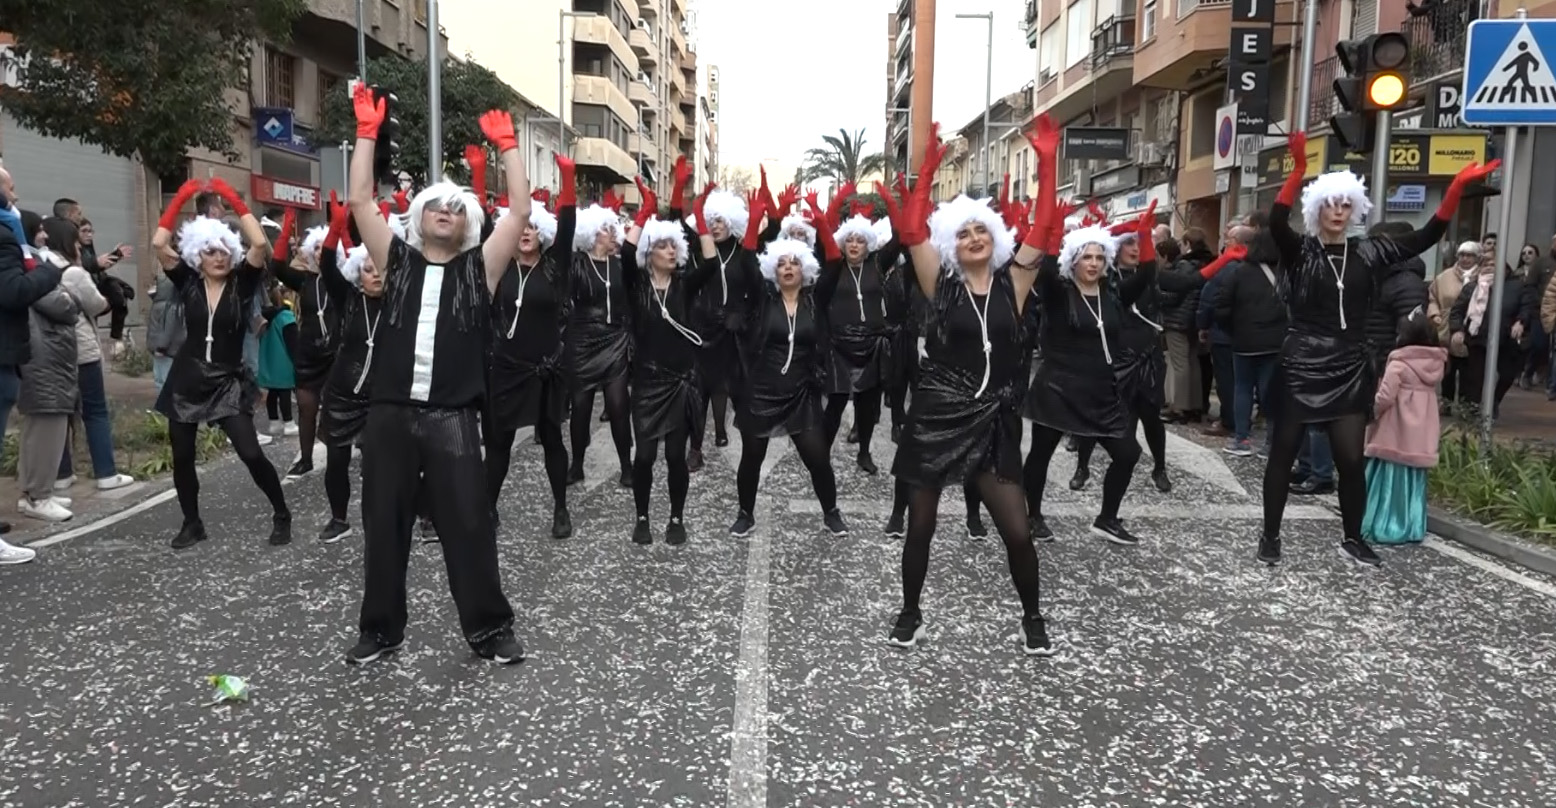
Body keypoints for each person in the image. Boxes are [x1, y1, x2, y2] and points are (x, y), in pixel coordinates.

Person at [346, 83, 527, 665]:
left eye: (455, 207)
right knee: (384, 525)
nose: (445, 212)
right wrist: (367, 134)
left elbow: (520, 213)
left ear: (467, 222)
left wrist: (508, 150)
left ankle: (490, 629)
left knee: (470, 523)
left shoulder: (480, 270)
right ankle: (380, 629)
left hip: (452, 417)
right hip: (390, 416)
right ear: (418, 219)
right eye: (434, 206)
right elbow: (359, 201)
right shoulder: (395, 262)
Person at [1258, 130, 1495, 567]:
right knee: (1283, 452)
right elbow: (1276, 222)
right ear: (1317, 209)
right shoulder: (1299, 251)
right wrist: (1298, 171)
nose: (1338, 211)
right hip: (1301, 362)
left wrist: (1456, 190)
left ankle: (1353, 537)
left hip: (1348, 363)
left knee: (1351, 458)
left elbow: (1427, 235)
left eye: (1345, 204)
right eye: (1330, 204)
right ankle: (1270, 535)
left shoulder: (1369, 251)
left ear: (1354, 210)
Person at [885, 117, 1058, 656]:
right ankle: (911, 613)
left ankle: (1032, 618)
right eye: (963, 233)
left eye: (981, 230)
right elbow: (913, 232)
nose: (974, 238)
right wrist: (926, 173)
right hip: (936, 417)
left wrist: (1048, 164)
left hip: (992, 422)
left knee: (1017, 530)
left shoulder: (1015, 283)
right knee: (921, 525)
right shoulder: (939, 285)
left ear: (996, 238)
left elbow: (1044, 227)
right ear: (951, 245)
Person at [150, 178, 291, 549]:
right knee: (183, 456)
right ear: (198, 255)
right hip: (187, 378)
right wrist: (183, 196)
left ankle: (281, 513)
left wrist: (232, 200)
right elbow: (159, 244)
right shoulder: (187, 282)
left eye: (224, 251)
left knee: (250, 452)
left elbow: (258, 244)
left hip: (227, 380)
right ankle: (192, 523)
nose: (218, 257)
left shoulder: (243, 284)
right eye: (210, 251)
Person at [727, 221, 847, 539]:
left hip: (801, 393)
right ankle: (745, 513)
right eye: (782, 263)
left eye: (794, 262)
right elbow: (746, 262)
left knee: (818, 458)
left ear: (804, 269)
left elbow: (835, 262)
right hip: (762, 391)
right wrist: (755, 222)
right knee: (752, 458)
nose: (788, 268)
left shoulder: (815, 300)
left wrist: (823, 224)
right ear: (774, 271)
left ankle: (831, 512)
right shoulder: (763, 299)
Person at [620, 190, 722, 545]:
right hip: (648, 384)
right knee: (645, 456)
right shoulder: (636, 285)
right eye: (662, 246)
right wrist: (644, 213)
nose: (670, 251)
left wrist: (700, 218)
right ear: (650, 253)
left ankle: (676, 518)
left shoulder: (684, 285)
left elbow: (710, 265)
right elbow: (626, 254)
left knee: (676, 456)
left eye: (673, 246)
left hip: (680, 382)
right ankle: (642, 517)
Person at [485, 156, 576, 538]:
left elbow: (568, 229)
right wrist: (480, 177)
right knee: (499, 443)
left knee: (552, 439)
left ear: (542, 234)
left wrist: (568, 181)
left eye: (533, 227)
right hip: (507, 368)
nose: (525, 232)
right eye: (521, 226)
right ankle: (488, 508)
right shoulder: (500, 265)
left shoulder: (554, 267)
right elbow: (482, 229)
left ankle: (560, 509)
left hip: (544, 369)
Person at [44, 217, 135, 493]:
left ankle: (62, 475)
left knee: (61, 413)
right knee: (95, 411)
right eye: (76, 242)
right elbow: (96, 305)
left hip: (53, 352)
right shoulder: (73, 273)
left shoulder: (40, 268)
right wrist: (108, 300)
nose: (80, 248)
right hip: (82, 351)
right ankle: (106, 473)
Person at [0, 171, 65, 551]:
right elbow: (14, 291)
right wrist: (49, 272)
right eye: (9, 189)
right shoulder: (5, 239)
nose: (16, 196)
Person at [566, 188, 635, 490]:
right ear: (593, 234)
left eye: (613, 228)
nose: (613, 233)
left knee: (619, 406)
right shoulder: (577, 263)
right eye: (607, 229)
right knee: (580, 408)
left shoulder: (620, 265)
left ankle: (627, 466)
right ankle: (577, 464)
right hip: (583, 342)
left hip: (615, 341)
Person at [1362, 309, 1447, 545]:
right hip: (1420, 436)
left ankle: (1384, 523)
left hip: (1394, 432)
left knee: (1388, 480)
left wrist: (1370, 413)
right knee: (1413, 480)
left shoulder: (1398, 364)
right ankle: (1412, 526)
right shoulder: (1435, 365)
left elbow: (1385, 397)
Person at [16, 236, 82, 523]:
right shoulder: (30, 269)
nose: (44, 236)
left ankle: (32, 493)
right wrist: (67, 292)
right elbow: (66, 305)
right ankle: (38, 496)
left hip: (43, 360)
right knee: (46, 429)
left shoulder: (26, 267)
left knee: (38, 431)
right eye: (40, 230)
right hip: (45, 362)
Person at [1214, 228, 1286, 456]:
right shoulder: (1285, 274)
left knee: (1242, 388)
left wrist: (1233, 331)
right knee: (1270, 392)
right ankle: (1271, 443)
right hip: (1276, 342)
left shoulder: (1238, 272)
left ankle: (1241, 439)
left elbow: (1222, 307)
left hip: (1243, 341)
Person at [1447, 246, 1539, 418]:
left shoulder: (1517, 286)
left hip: (1506, 340)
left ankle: (1494, 401)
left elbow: (1528, 306)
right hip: (1478, 339)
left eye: (1493, 264)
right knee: (1475, 379)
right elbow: (1457, 311)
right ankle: (1473, 412)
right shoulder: (1472, 287)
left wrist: (1521, 322)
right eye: (1485, 264)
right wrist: (1457, 330)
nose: (1489, 267)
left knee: (1507, 374)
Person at [1427, 242, 1479, 409]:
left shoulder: (1483, 278)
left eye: (1470, 255)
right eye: (1462, 255)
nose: (1465, 259)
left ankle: (1466, 407)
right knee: (1447, 369)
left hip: (1472, 330)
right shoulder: (1444, 277)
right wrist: (1435, 315)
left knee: (1469, 372)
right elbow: (1432, 298)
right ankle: (1446, 402)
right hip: (1446, 330)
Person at [257, 281, 299, 437]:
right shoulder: (286, 317)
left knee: (272, 391)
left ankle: (273, 422)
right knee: (284, 390)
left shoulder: (262, 317)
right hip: (283, 360)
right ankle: (289, 422)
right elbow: (293, 342)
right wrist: (298, 361)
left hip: (266, 358)